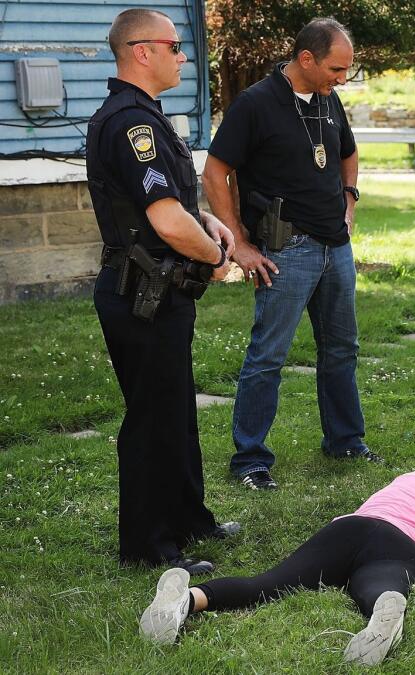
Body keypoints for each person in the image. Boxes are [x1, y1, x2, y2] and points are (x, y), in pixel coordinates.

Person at [87, 8, 240, 575]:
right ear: (141, 51)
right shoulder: (133, 124)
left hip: (159, 291)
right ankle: (149, 547)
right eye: (175, 47)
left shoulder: (146, 116)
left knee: (175, 410)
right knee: (152, 418)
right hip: (141, 293)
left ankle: (189, 519)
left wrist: (210, 221)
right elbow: (166, 222)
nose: (184, 56)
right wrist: (217, 255)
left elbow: (171, 204)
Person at [202, 18, 376, 491]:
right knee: (268, 356)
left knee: (342, 348)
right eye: (336, 69)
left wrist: (350, 199)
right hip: (287, 249)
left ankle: (344, 439)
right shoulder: (256, 105)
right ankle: (250, 460)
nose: (342, 80)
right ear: (305, 59)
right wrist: (237, 243)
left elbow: (348, 153)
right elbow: (215, 173)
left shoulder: (328, 100)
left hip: (334, 248)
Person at [139, 466, 415, 666]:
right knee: (379, 584)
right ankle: (384, 609)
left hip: (349, 527)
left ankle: (188, 599)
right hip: (403, 544)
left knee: (269, 582)